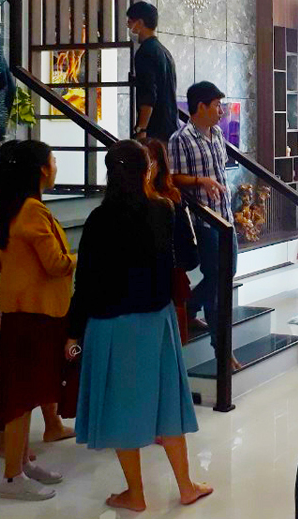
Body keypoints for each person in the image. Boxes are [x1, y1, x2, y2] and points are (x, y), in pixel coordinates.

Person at [68, 140, 212, 512]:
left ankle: (135, 493)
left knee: (121, 408)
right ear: (147, 171)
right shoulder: (163, 210)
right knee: (168, 403)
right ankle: (186, 486)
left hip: (111, 325)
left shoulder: (99, 219)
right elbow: (184, 259)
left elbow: (85, 281)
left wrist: (73, 330)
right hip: (156, 321)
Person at [0, 141, 73, 459]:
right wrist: (24, 259)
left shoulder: (29, 204)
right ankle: (7, 441)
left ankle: (52, 424)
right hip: (7, 295)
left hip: (35, 294)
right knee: (9, 372)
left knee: (40, 364)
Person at [169, 81, 240, 370]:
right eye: (217, 105)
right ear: (201, 106)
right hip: (204, 221)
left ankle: (189, 306)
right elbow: (173, 178)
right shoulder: (181, 138)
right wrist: (201, 181)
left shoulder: (218, 134)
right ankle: (221, 349)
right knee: (217, 279)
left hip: (226, 218)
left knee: (226, 274)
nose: (221, 111)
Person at [144, 136, 194, 342]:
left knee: (174, 337)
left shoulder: (170, 197)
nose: (146, 167)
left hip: (170, 273)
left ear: (159, 165)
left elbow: (184, 239)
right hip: (144, 277)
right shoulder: (132, 199)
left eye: (150, 161)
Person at [128, 1, 178, 143]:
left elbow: (148, 94)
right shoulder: (164, 51)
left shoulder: (145, 52)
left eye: (130, 21)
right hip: (169, 126)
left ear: (140, 23)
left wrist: (141, 129)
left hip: (155, 130)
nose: (128, 26)